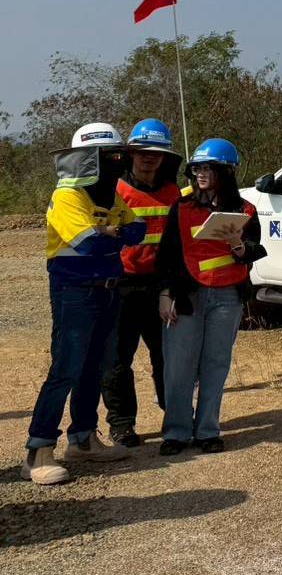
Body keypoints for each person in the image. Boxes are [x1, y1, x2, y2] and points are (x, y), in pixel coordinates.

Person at [23, 123, 145, 485]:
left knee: (95, 367)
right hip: (74, 292)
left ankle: (83, 439)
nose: (118, 162)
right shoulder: (67, 196)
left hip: (107, 290)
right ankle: (38, 451)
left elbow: (138, 231)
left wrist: (110, 232)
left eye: (119, 155)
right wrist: (115, 234)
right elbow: (87, 243)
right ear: (88, 159)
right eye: (111, 157)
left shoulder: (109, 195)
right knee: (66, 368)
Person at [155, 138, 266, 455]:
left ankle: (207, 431)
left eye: (208, 168)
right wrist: (165, 294)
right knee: (178, 365)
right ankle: (176, 433)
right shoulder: (181, 208)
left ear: (226, 172)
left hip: (228, 296)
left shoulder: (245, 210)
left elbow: (254, 250)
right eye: (197, 168)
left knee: (216, 364)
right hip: (186, 296)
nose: (201, 174)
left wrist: (238, 246)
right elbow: (167, 256)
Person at [103, 118, 182, 447]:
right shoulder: (114, 190)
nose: (149, 157)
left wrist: (170, 288)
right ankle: (122, 424)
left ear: (165, 156)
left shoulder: (173, 193)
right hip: (120, 286)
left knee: (167, 357)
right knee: (117, 360)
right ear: (130, 153)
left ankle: (175, 415)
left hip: (160, 287)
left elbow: (177, 245)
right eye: (142, 151)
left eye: (156, 152)